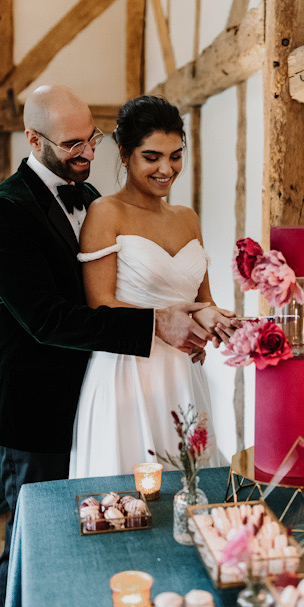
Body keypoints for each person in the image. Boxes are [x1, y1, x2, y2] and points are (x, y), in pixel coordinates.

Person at [0, 84, 212, 607]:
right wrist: (156, 323)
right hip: (39, 407)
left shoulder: (94, 196)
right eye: (72, 144)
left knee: (117, 524)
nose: (87, 153)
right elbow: (50, 319)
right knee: (37, 542)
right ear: (33, 139)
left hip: (106, 388)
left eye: (93, 139)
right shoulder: (2, 214)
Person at [69, 95, 235, 478]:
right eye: (152, 157)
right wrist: (165, 321)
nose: (167, 168)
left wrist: (218, 320)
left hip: (184, 374)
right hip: (127, 373)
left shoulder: (187, 218)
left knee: (190, 488)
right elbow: (100, 306)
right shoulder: (104, 213)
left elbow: (201, 300)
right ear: (125, 154)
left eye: (176, 155)